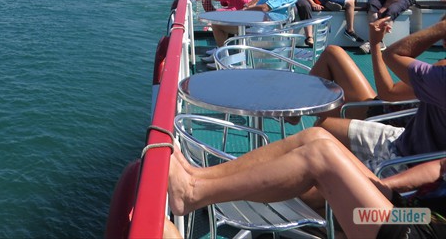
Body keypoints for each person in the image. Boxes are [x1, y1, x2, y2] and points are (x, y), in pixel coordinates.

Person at [165, 126, 446, 239]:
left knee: (320, 157)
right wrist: (383, 188)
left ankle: (192, 194)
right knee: (316, 136)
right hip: (418, 215)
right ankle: (197, 176)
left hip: (418, 234)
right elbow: (439, 167)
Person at [318, 16, 446, 172]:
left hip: (381, 115)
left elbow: (388, 91)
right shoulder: (438, 73)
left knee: (332, 54)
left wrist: (375, 44)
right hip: (400, 125)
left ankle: (297, 115)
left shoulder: (440, 74)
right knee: (332, 56)